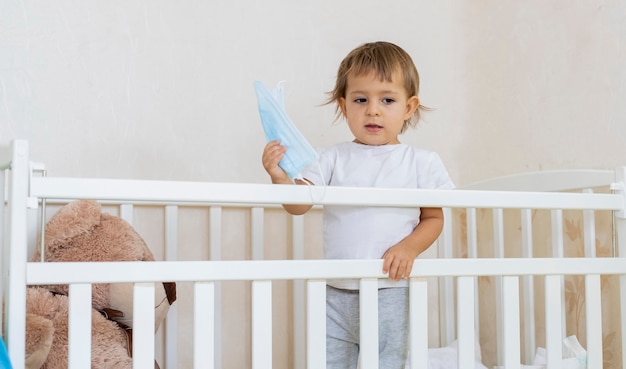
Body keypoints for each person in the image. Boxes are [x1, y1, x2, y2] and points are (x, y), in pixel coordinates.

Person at [261, 41, 454, 369]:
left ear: (409, 107)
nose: (373, 110)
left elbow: (433, 218)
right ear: (344, 105)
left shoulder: (421, 163)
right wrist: (279, 177)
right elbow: (299, 206)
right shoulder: (332, 158)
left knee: (388, 362)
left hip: (389, 289)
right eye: (361, 99)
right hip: (336, 291)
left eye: (387, 100)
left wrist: (408, 249)